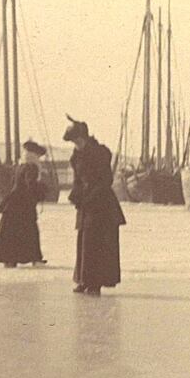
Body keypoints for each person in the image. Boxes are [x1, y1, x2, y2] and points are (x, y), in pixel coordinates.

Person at [64, 116, 124, 296]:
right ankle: (84, 279)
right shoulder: (77, 156)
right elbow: (78, 180)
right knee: (84, 241)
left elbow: (106, 180)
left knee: (97, 243)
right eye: (74, 142)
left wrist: (90, 196)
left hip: (102, 205)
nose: (76, 144)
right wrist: (76, 196)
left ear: (84, 138)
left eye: (78, 140)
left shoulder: (99, 153)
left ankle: (95, 282)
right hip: (86, 204)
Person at [0, 160, 44, 268]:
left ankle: (9, 259)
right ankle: (30, 257)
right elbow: (31, 184)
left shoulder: (20, 166)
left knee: (11, 231)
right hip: (23, 204)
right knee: (28, 231)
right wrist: (40, 193)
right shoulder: (31, 166)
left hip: (13, 202)